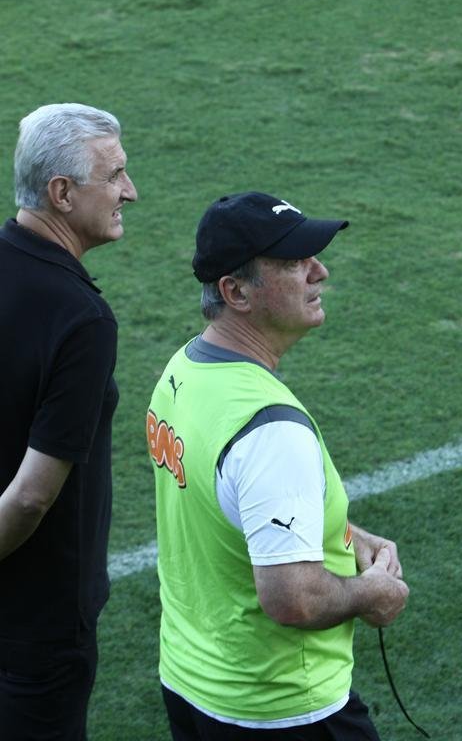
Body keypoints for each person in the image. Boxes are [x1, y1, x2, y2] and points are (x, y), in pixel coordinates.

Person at [147, 192, 409, 741]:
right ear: (235, 291)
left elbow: (227, 503)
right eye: (293, 263)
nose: (320, 271)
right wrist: (373, 593)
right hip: (283, 708)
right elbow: (293, 597)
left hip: (193, 682)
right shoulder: (271, 429)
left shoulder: (185, 369)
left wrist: (341, 532)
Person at [0, 103, 137, 740]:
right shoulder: (81, 317)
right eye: (113, 176)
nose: (129, 193)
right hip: (36, 624)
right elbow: (29, 498)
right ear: (62, 193)